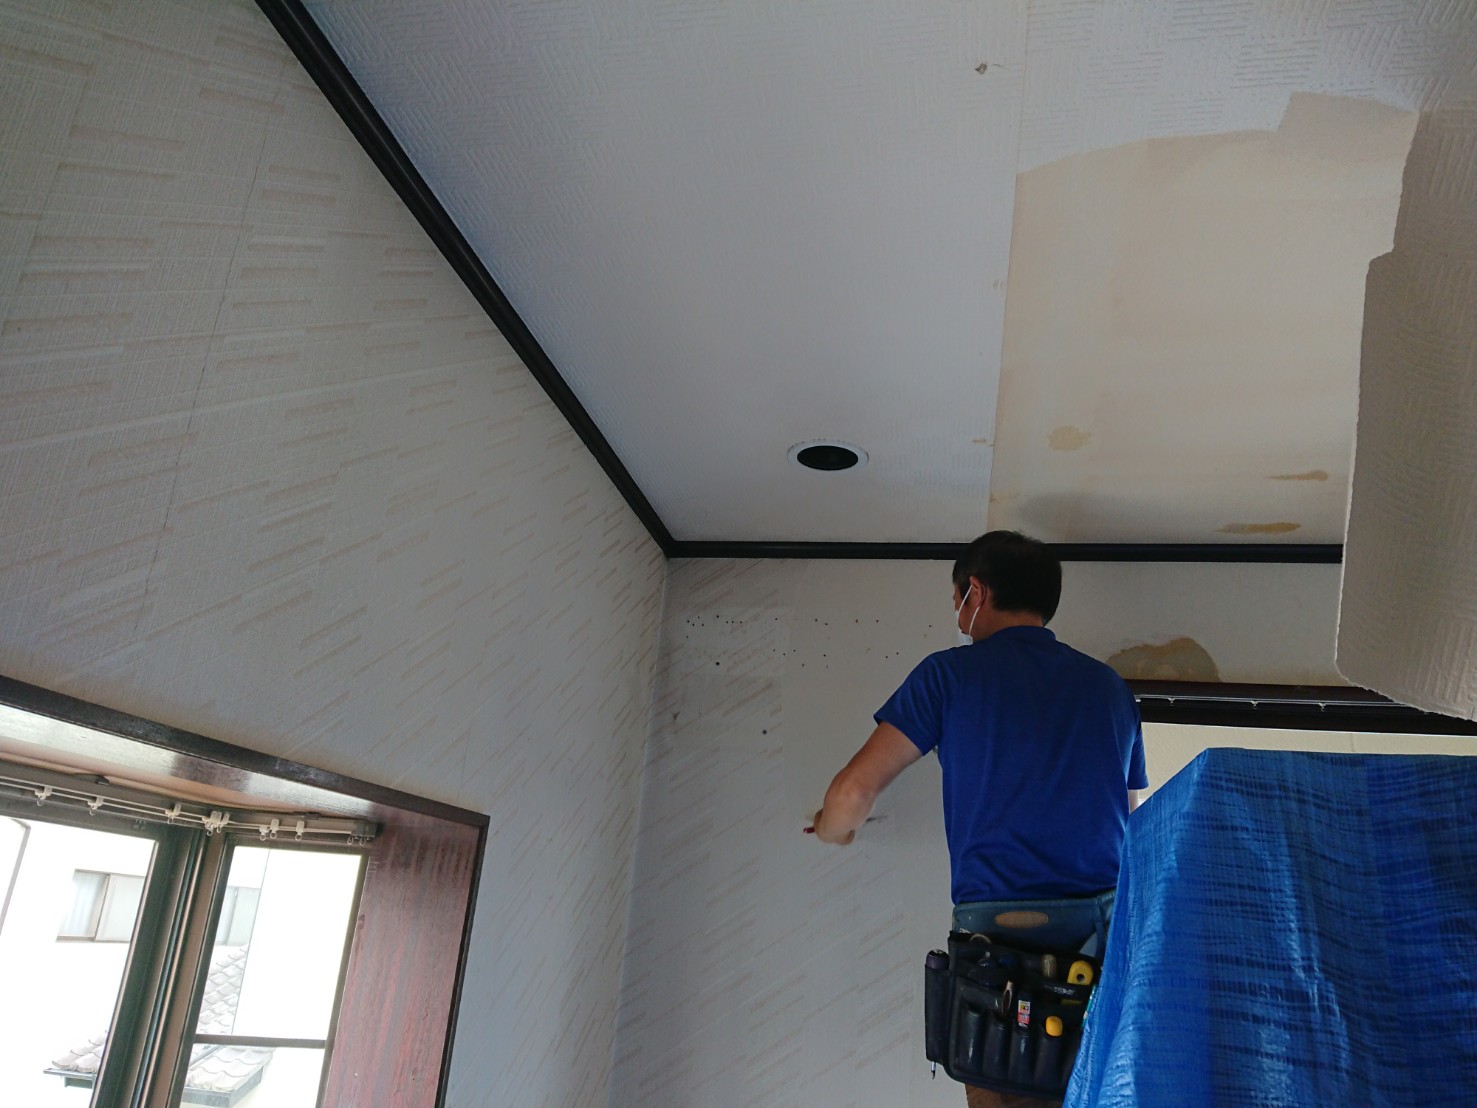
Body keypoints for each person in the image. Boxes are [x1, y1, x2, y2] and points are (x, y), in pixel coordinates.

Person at [809, 530, 1147, 1108]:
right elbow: (1134, 818)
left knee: (1006, 1085)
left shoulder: (949, 675)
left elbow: (854, 791)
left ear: (976, 592)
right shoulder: (1110, 688)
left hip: (1001, 934)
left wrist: (830, 829)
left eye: (957, 600)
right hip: (1101, 931)